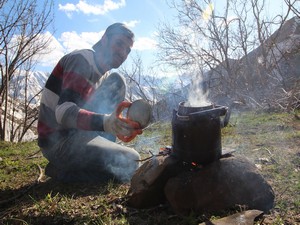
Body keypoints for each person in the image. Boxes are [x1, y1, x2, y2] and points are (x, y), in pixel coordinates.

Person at [37, 23, 142, 183]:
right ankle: (61, 172)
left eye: (128, 50)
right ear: (104, 39)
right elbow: (64, 112)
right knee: (132, 160)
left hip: (77, 133)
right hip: (58, 143)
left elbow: (96, 112)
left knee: (117, 81)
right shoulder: (82, 60)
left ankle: (98, 152)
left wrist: (122, 124)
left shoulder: (103, 74)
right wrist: (106, 122)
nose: (123, 53)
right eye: (119, 43)